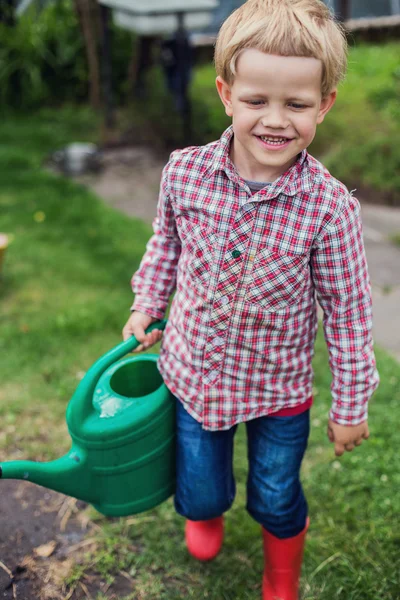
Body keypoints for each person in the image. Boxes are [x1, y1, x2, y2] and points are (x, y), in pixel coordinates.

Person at [122, 1, 380, 598]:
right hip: (195, 376)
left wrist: (350, 404)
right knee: (201, 486)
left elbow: (349, 313)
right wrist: (147, 303)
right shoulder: (184, 174)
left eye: (296, 104)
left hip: (277, 390)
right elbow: (167, 244)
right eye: (257, 100)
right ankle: (206, 512)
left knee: (275, 494)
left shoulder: (329, 208)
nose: (275, 120)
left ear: (325, 104)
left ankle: (281, 570)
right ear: (226, 93)